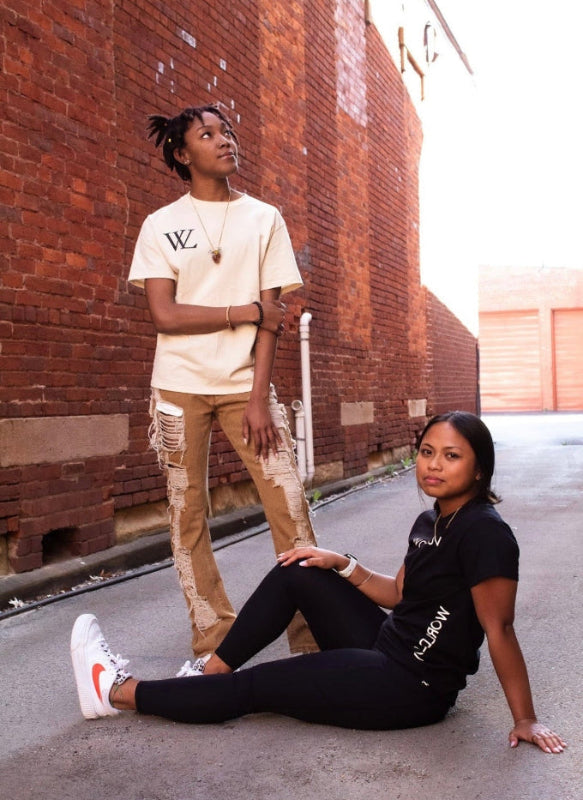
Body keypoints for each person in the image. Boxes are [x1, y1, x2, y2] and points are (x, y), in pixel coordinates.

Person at [71, 411, 566, 752]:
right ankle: (211, 673)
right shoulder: (433, 519)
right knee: (300, 571)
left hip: (410, 686)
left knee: (260, 686)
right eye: (427, 451)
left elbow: (499, 630)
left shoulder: (486, 535)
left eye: (451, 456)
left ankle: (115, 692)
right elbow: (398, 594)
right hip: (384, 645)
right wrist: (338, 562)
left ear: (480, 470)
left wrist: (523, 718)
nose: (433, 465)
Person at [127, 104, 318, 666]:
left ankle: (310, 644)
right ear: (183, 154)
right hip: (178, 389)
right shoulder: (161, 224)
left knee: (289, 506)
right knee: (186, 515)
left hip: (245, 389)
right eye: (207, 134)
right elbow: (164, 314)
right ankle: (214, 642)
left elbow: (274, 317)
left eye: (227, 131)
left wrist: (260, 398)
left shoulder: (264, 218)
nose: (224, 140)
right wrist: (242, 309)